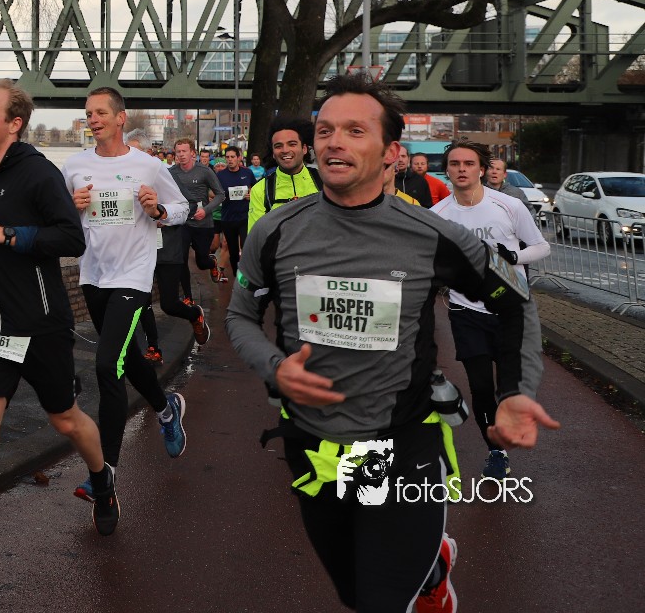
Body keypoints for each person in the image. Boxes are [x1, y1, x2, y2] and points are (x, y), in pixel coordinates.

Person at [227, 73, 558, 613]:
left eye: (355, 131)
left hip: (402, 444)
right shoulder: (276, 231)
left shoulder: (434, 234)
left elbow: (514, 300)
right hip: (312, 444)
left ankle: (420, 569)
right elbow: (241, 315)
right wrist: (274, 366)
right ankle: (433, 568)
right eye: (325, 131)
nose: (334, 142)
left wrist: (517, 390)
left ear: (390, 152)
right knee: (354, 592)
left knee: (379, 602)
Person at [0, 79, 106, 597]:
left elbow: (71, 237)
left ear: (14, 124)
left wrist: (6, 234)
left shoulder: (38, 173)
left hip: (40, 326)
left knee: (65, 419)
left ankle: (102, 476)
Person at [62, 87, 193, 511]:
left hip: (133, 277)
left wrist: (157, 211)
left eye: (101, 112)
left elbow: (182, 208)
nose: (93, 119)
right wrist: (71, 207)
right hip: (93, 275)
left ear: (121, 118)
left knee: (107, 365)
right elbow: (58, 220)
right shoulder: (74, 166)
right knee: (127, 358)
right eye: (89, 114)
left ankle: (105, 474)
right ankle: (166, 407)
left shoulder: (148, 165)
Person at [433, 141, 551, 481]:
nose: (462, 169)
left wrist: (514, 257)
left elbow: (541, 247)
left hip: (511, 310)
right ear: (448, 169)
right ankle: (496, 452)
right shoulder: (438, 215)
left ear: (482, 169)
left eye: (469, 163)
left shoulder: (509, 205)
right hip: (466, 311)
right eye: (455, 163)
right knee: (481, 386)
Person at [244, 119, 320, 233]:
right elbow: (256, 238)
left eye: (292, 144)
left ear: (304, 149)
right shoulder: (260, 190)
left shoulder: (325, 182)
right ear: (273, 153)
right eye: (278, 146)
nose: (285, 150)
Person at [170, 138, 226, 283]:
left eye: (184, 151)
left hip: (202, 223)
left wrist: (205, 211)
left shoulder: (204, 171)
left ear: (192, 153)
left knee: (201, 262)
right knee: (181, 260)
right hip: (183, 223)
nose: (181, 154)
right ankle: (187, 294)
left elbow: (220, 195)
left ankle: (212, 263)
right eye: (178, 151)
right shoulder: (171, 172)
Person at [217, 145, 257, 280]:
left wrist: (251, 194)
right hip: (228, 218)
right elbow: (212, 192)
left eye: (232, 157)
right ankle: (236, 275)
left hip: (244, 216)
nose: (230, 160)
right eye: (227, 157)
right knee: (233, 251)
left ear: (239, 158)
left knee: (246, 246)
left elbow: (256, 189)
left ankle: (247, 274)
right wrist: (219, 196)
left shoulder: (247, 173)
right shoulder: (220, 175)